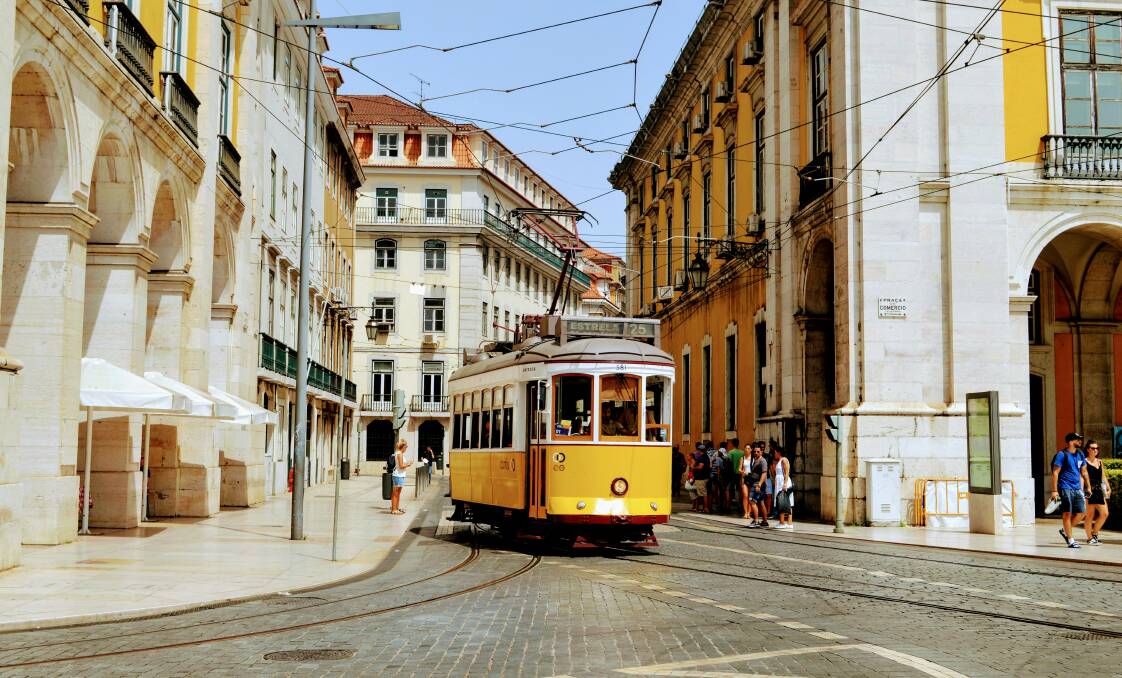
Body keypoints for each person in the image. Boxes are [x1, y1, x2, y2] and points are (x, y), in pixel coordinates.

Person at [1051, 432, 1092, 548]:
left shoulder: (1080, 454)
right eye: (1077, 439)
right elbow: (1055, 472)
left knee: (1082, 513)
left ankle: (1065, 531)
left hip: (1077, 488)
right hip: (1065, 487)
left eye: (1080, 439)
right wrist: (1054, 491)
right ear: (1070, 442)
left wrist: (1088, 486)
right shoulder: (1061, 454)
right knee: (1067, 513)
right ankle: (1070, 540)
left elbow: (1084, 471)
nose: (1080, 441)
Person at [1083, 439, 1110, 545]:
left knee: (1105, 513)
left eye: (1097, 448)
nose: (1095, 450)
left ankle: (1094, 533)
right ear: (1088, 449)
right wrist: (1084, 490)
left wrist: (1108, 488)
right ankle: (1090, 538)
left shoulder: (1099, 461)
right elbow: (1083, 476)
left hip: (1099, 490)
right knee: (1090, 515)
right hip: (1089, 490)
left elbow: (1103, 476)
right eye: (1093, 448)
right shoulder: (1084, 461)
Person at [746, 442, 769, 528]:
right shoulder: (756, 459)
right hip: (756, 483)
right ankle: (765, 521)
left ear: (761, 451)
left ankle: (756, 521)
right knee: (761, 502)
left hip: (757, 484)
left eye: (758, 451)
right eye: (755, 451)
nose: (756, 453)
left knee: (752, 501)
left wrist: (759, 484)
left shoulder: (762, 461)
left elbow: (764, 473)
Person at [772, 444, 793, 529]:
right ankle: (786, 522)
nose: (774, 454)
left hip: (783, 483)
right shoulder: (779, 460)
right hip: (780, 482)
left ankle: (783, 522)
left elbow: (787, 472)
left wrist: (785, 483)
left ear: (778, 452)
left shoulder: (784, 460)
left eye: (775, 452)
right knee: (784, 502)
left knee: (783, 502)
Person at [390, 439, 412, 515]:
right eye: (406, 446)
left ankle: (396, 508)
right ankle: (394, 509)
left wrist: (407, 463)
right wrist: (408, 464)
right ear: (403, 447)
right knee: (396, 493)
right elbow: (401, 466)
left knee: (398, 493)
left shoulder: (399, 453)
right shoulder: (399, 454)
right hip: (398, 475)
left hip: (400, 475)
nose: (406, 448)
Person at [727, 438, 746, 518]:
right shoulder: (742, 453)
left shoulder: (730, 452)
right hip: (740, 474)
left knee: (729, 489)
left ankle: (728, 505)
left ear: (732, 444)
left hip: (732, 474)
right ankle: (741, 505)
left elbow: (728, 463)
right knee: (740, 490)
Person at [691, 443, 711, 513]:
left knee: (703, 494)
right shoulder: (706, 457)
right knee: (702, 493)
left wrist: (693, 467)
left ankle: (705, 508)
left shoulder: (702, 458)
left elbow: (700, 467)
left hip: (701, 478)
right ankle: (701, 507)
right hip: (705, 477)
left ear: (699, 450)